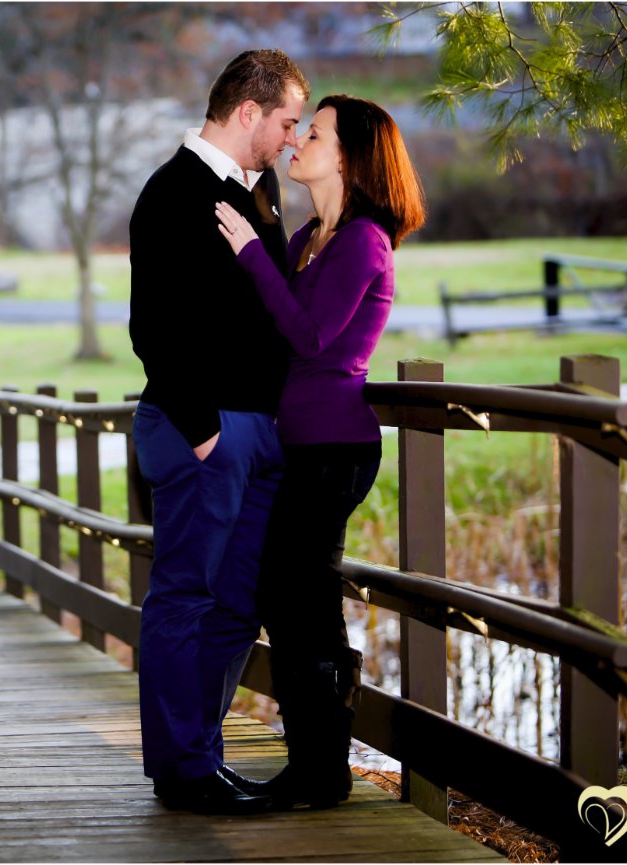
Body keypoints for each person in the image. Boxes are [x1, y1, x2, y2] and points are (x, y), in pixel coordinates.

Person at [213, 94, 426, 809]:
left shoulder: (365, 240)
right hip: (295, 446)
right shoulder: (309, 236)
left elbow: (309, 336)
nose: (300, 138)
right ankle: (319, 766)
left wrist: (248, 249)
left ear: (350, 156)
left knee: (293, 596)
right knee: (296, 600)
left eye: (317, 131)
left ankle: (317, 767)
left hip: (334, 451)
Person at [127, 49, 308, 815]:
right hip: (202, 431)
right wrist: (204, 430)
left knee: (237, 604)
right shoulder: (172, 194)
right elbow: (152, 329)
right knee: (186, 596)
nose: (291, 139)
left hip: (259, 434)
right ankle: (181, 769)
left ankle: (202, 755)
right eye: (286, 122)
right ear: (247, 113)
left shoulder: (257, 193)